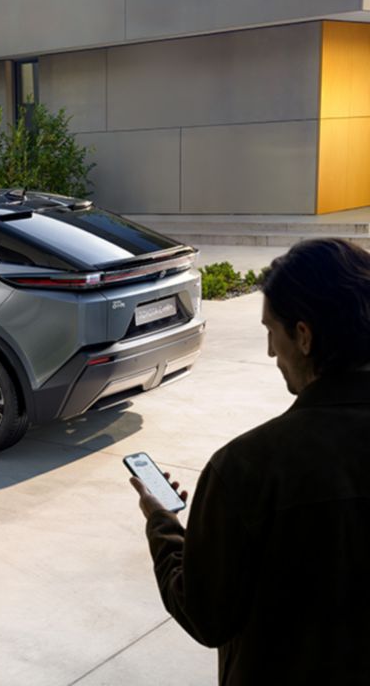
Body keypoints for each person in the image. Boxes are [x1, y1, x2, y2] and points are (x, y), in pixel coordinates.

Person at [130, 238, 370, 685]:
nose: (268, 353)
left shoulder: (246, 467)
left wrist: (161, 524)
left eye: (270, 332)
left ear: (303, 336)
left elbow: (207, 616)